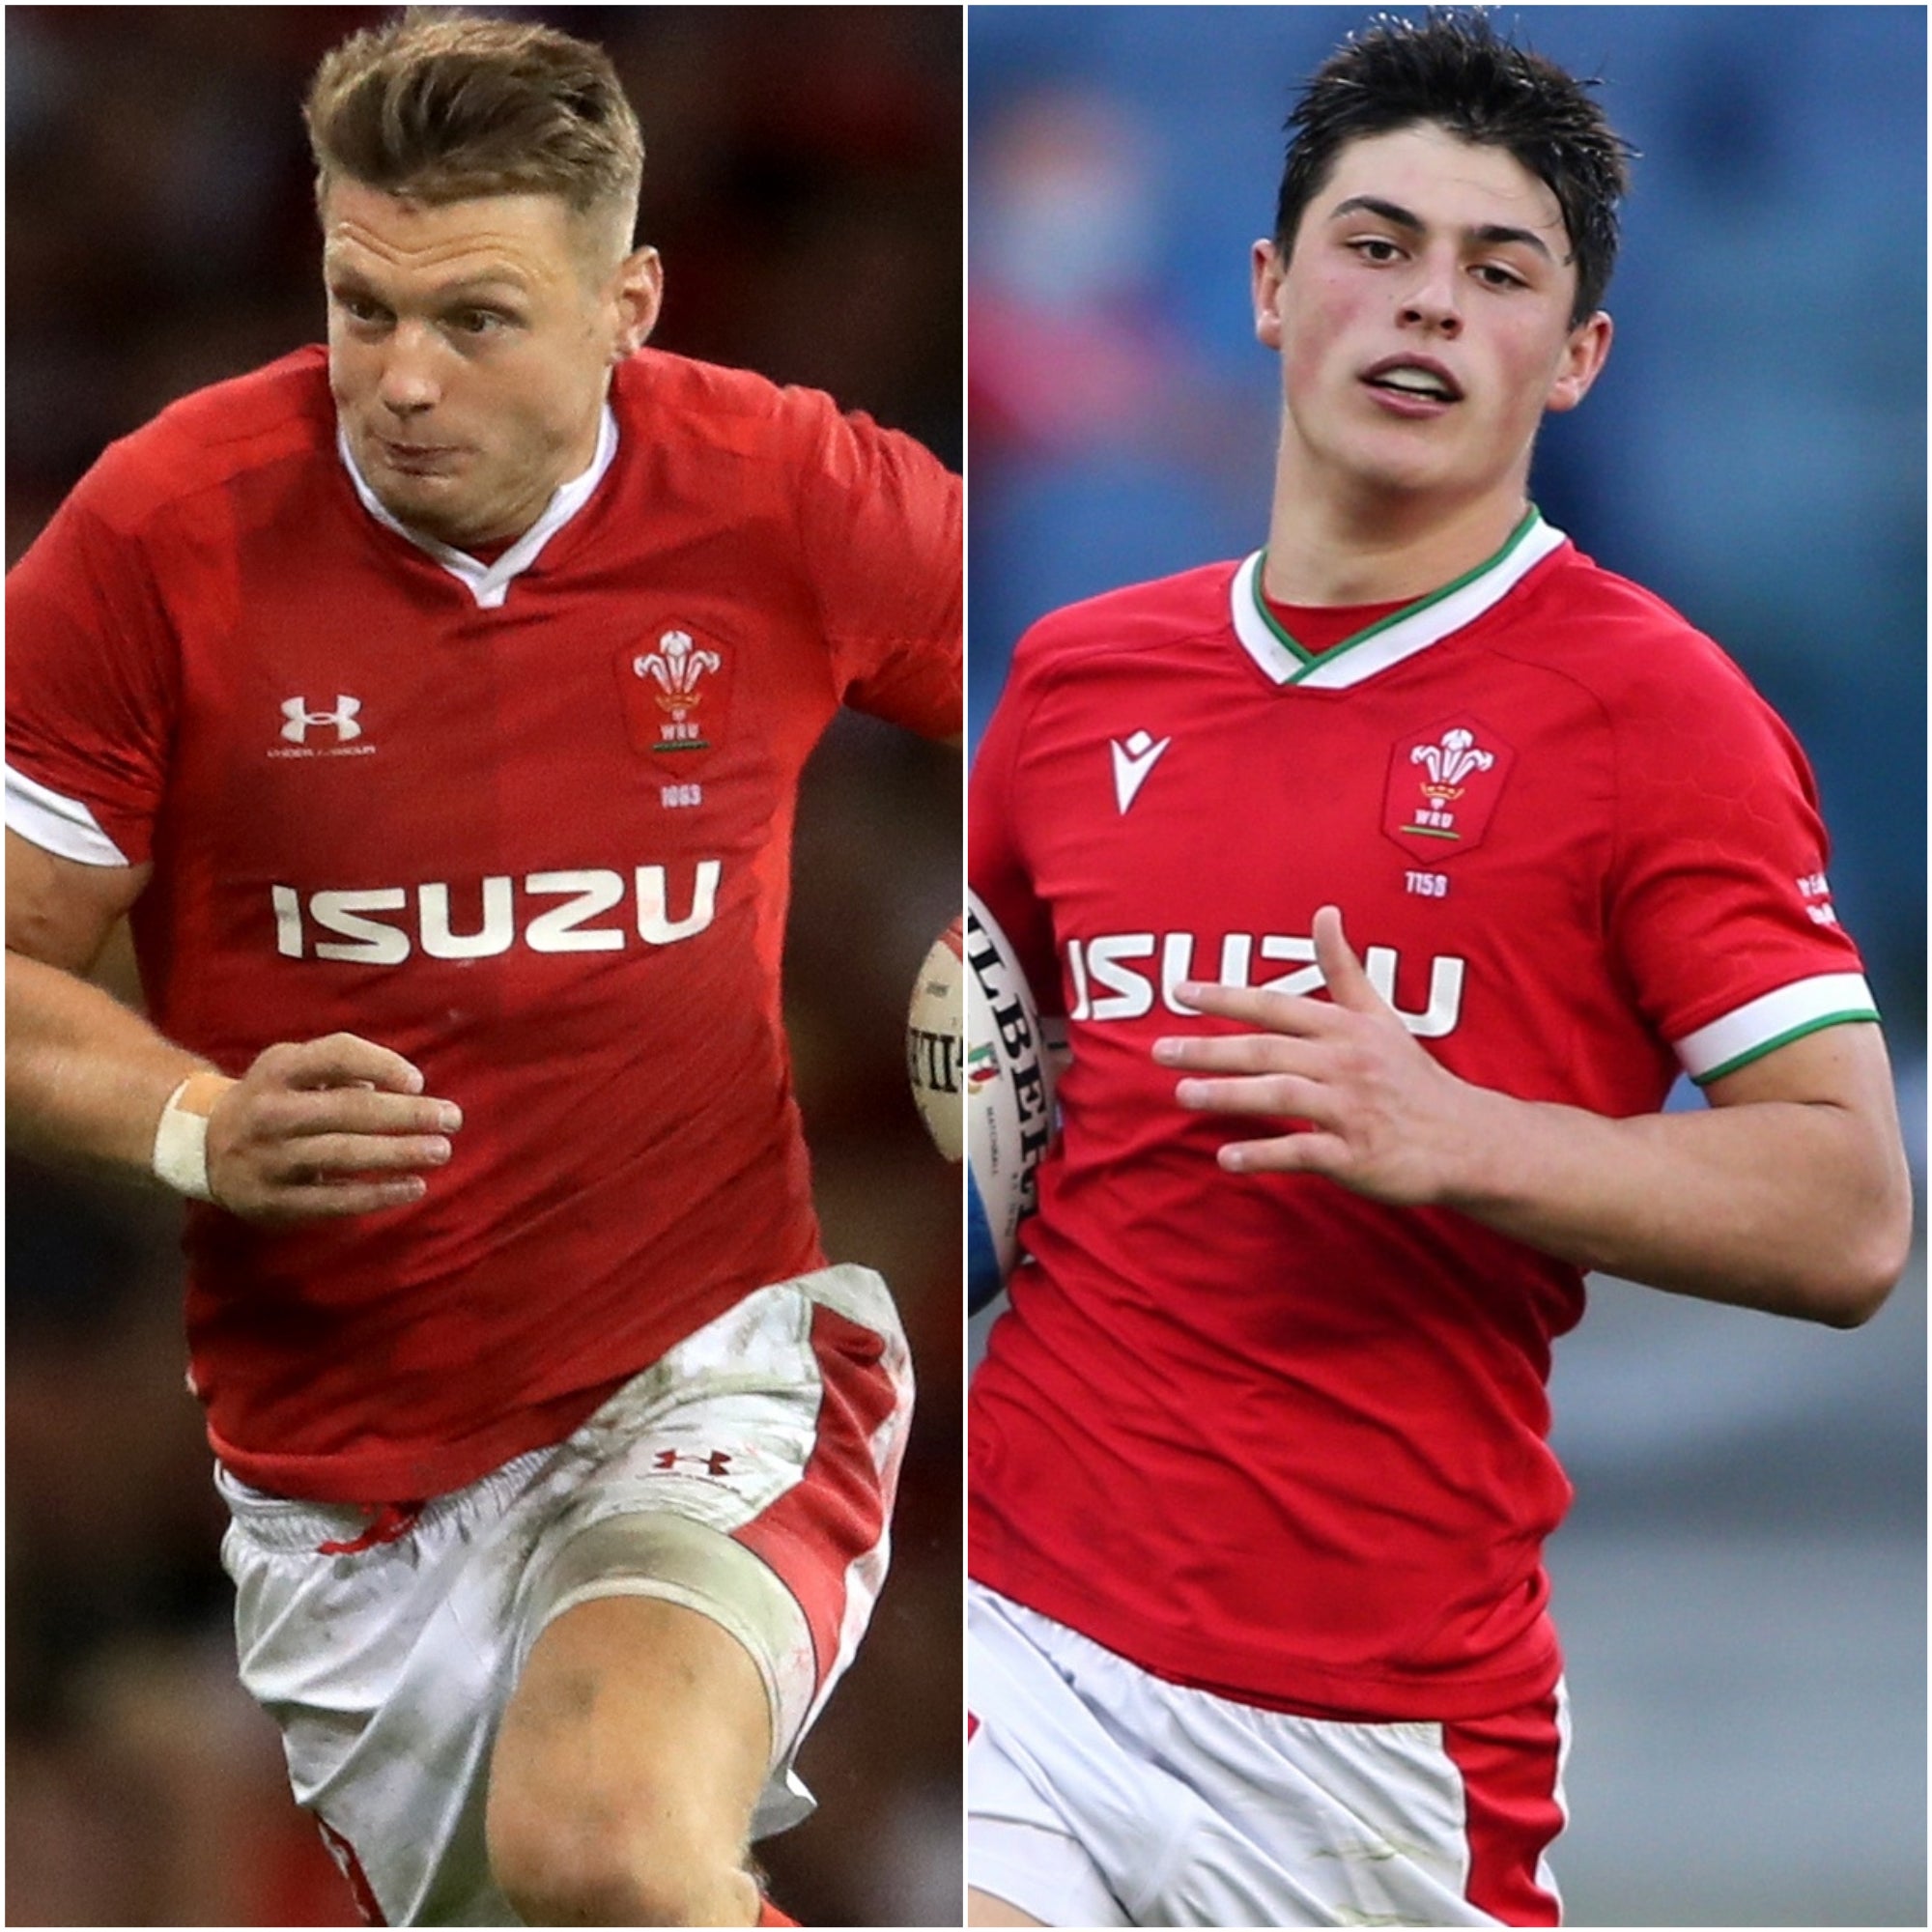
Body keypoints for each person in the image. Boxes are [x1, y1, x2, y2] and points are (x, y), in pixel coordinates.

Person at [6, 14, 959, 1928]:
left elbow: (1131, 693)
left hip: (715, 1359)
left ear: (631, 304)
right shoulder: (165, 533)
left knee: (599, 1836)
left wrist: (1004, 905)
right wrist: (195, 1117)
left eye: (479, 320)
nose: (405, 382)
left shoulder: (783, 489)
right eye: (364, 307)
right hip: (347, 1499)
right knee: (589, 1889)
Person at [964, 13, 1911, 1929]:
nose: (1425, 308)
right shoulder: (1074, 682)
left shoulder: (1659, 713)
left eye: (1497, 273)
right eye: (1375, 246)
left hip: (1375, 1739)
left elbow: (1846, 1213)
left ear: (1573, 361)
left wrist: (1455, 1127)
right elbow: (987, 1077)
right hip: (1029, 1638)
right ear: (1265, 286)